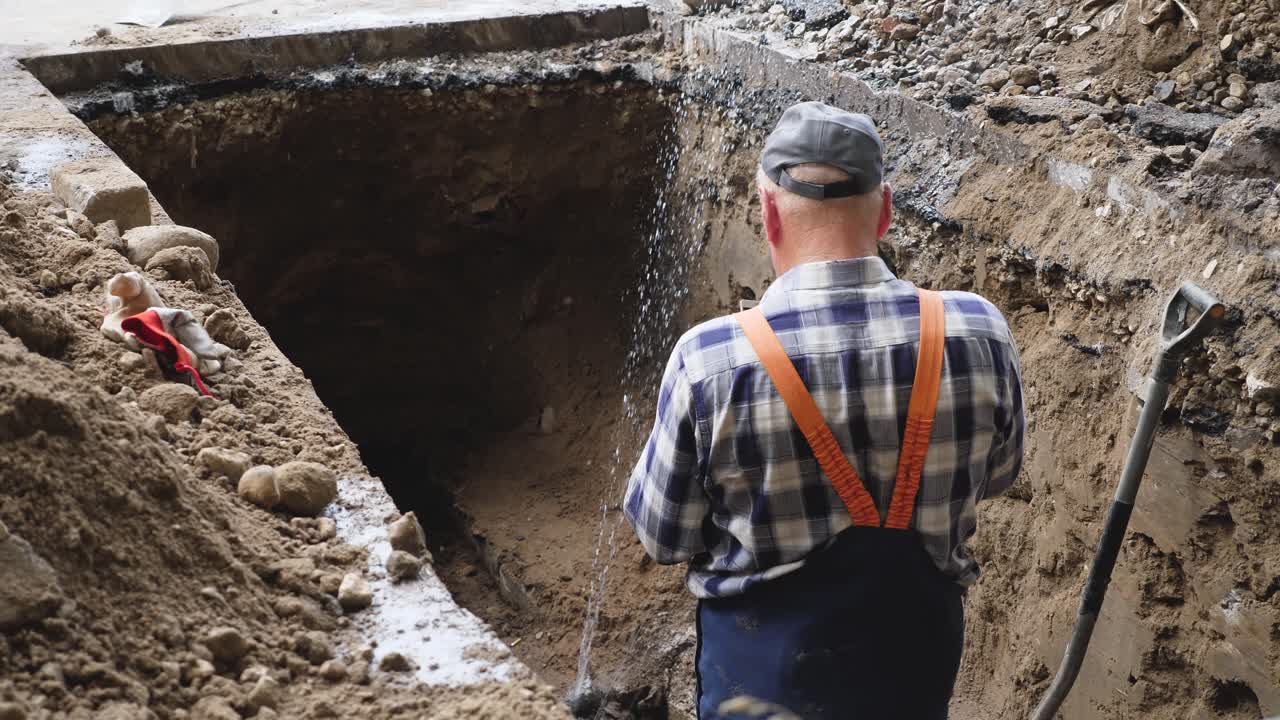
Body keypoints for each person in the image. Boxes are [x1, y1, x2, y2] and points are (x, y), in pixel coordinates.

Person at [623, 101, 1026, 720]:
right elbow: (998, 474)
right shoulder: (977, 330)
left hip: (758, 692)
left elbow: (662, 534)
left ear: (768, 214)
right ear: (885, 210)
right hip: (909, 685)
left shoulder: (710, 359)